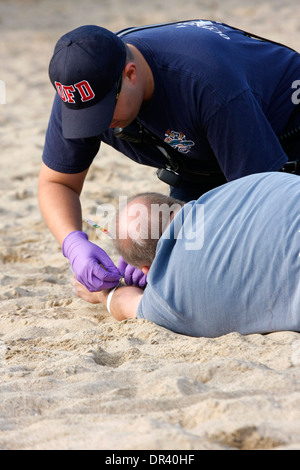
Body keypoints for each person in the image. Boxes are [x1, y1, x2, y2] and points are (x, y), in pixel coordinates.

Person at [39, 20, 300, 293]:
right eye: (87, 116)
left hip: (281, 138)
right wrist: (73, 243)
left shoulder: (206, 85)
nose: (100, 125)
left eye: (104, 112)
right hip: (197, 156)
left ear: (130, 74)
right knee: (161, 246)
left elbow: (261, 206)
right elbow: (56, 183)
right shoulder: (83, 92)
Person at [73, 171, 300, 338]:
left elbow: (125, 303)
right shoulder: (247, 184)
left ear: (146, 271)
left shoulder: (169, 298)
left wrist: (103, 293)